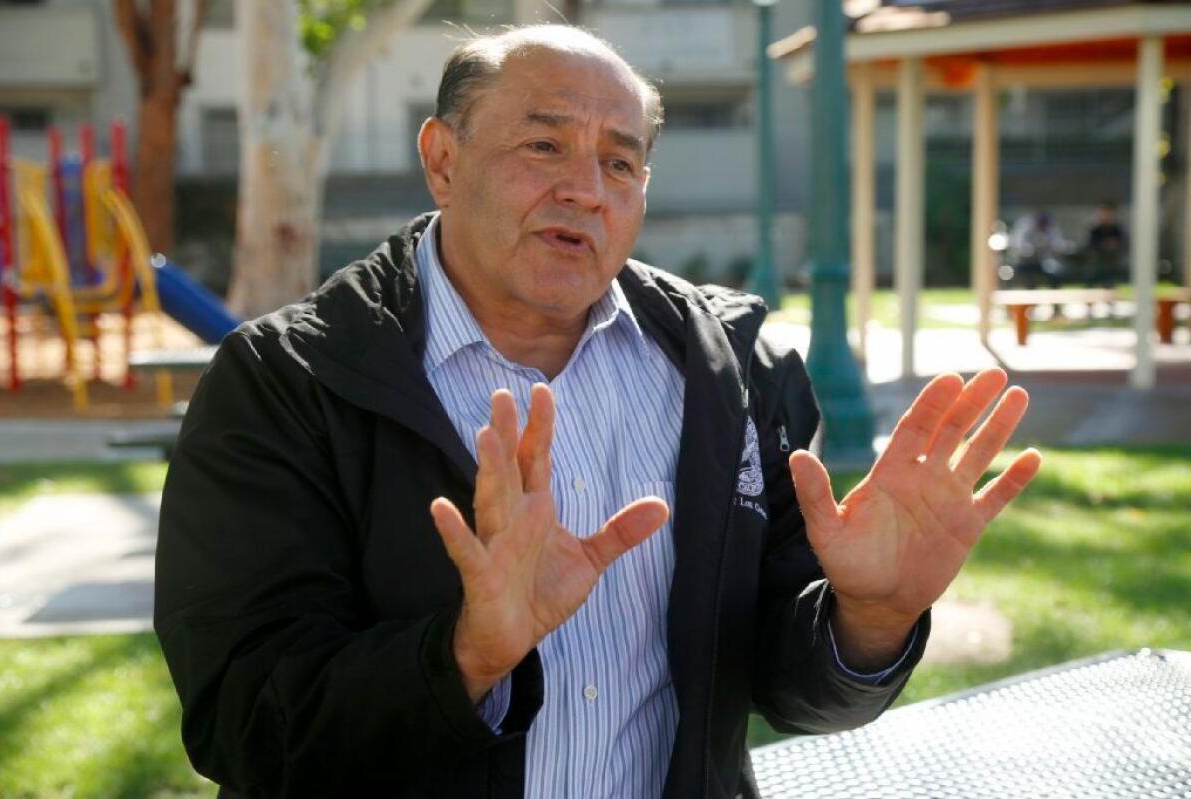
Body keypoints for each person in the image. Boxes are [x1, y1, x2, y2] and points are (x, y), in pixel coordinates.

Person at [155, 25, 1041, 799]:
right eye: (544, 147)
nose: (587, 187)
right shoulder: (286, 380)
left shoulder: (734, 370)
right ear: (442, 160)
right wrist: (463, 656)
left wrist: (872, 620)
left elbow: (785, 684)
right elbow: (241, 720)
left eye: (619, 160)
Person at [1084, 201, 1128, 287]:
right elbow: (1089, 247)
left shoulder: (1118, 230)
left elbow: (1124, 245)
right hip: (1097, 263)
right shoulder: (1095, 231)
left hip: (1114, 263)